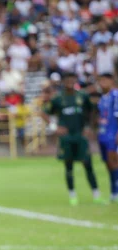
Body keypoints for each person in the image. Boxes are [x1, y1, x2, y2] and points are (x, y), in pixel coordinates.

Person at [42, 72, 103, 205]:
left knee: (88, 164)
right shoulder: (58, 98)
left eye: (72, 79)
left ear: (75, 80)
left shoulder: (82, 96)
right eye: (68, 79)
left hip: (80, 136)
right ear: (64, 82)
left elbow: (92, 111)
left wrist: (89, 127)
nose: (70, 82)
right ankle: (72, 195)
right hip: (66, 137)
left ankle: (96, 194)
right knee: (68, 166)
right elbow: (44, 112)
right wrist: (54, 127)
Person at [96, 73, 118, 202]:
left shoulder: (115, 96)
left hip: (112, 134)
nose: (102, 83)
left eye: (105, 80)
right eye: (100, 80)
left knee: (113, 161)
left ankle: (115, 191)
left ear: (111, 81)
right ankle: (113, 190)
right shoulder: (103, 98)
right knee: (108, 163)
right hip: (103, 134)